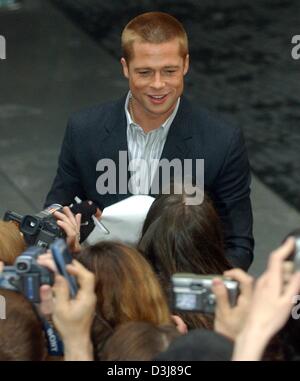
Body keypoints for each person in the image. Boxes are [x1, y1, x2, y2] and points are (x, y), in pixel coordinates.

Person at [45, 11, 254, 270]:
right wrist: (70, 237)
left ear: (186, 64)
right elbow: (55, 212)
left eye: (169, 71)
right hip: (103, 286)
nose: (158, 84)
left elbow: (238, 247)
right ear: (125, 67)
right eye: (144, 72)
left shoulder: (221, 141)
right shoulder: (84, 130)